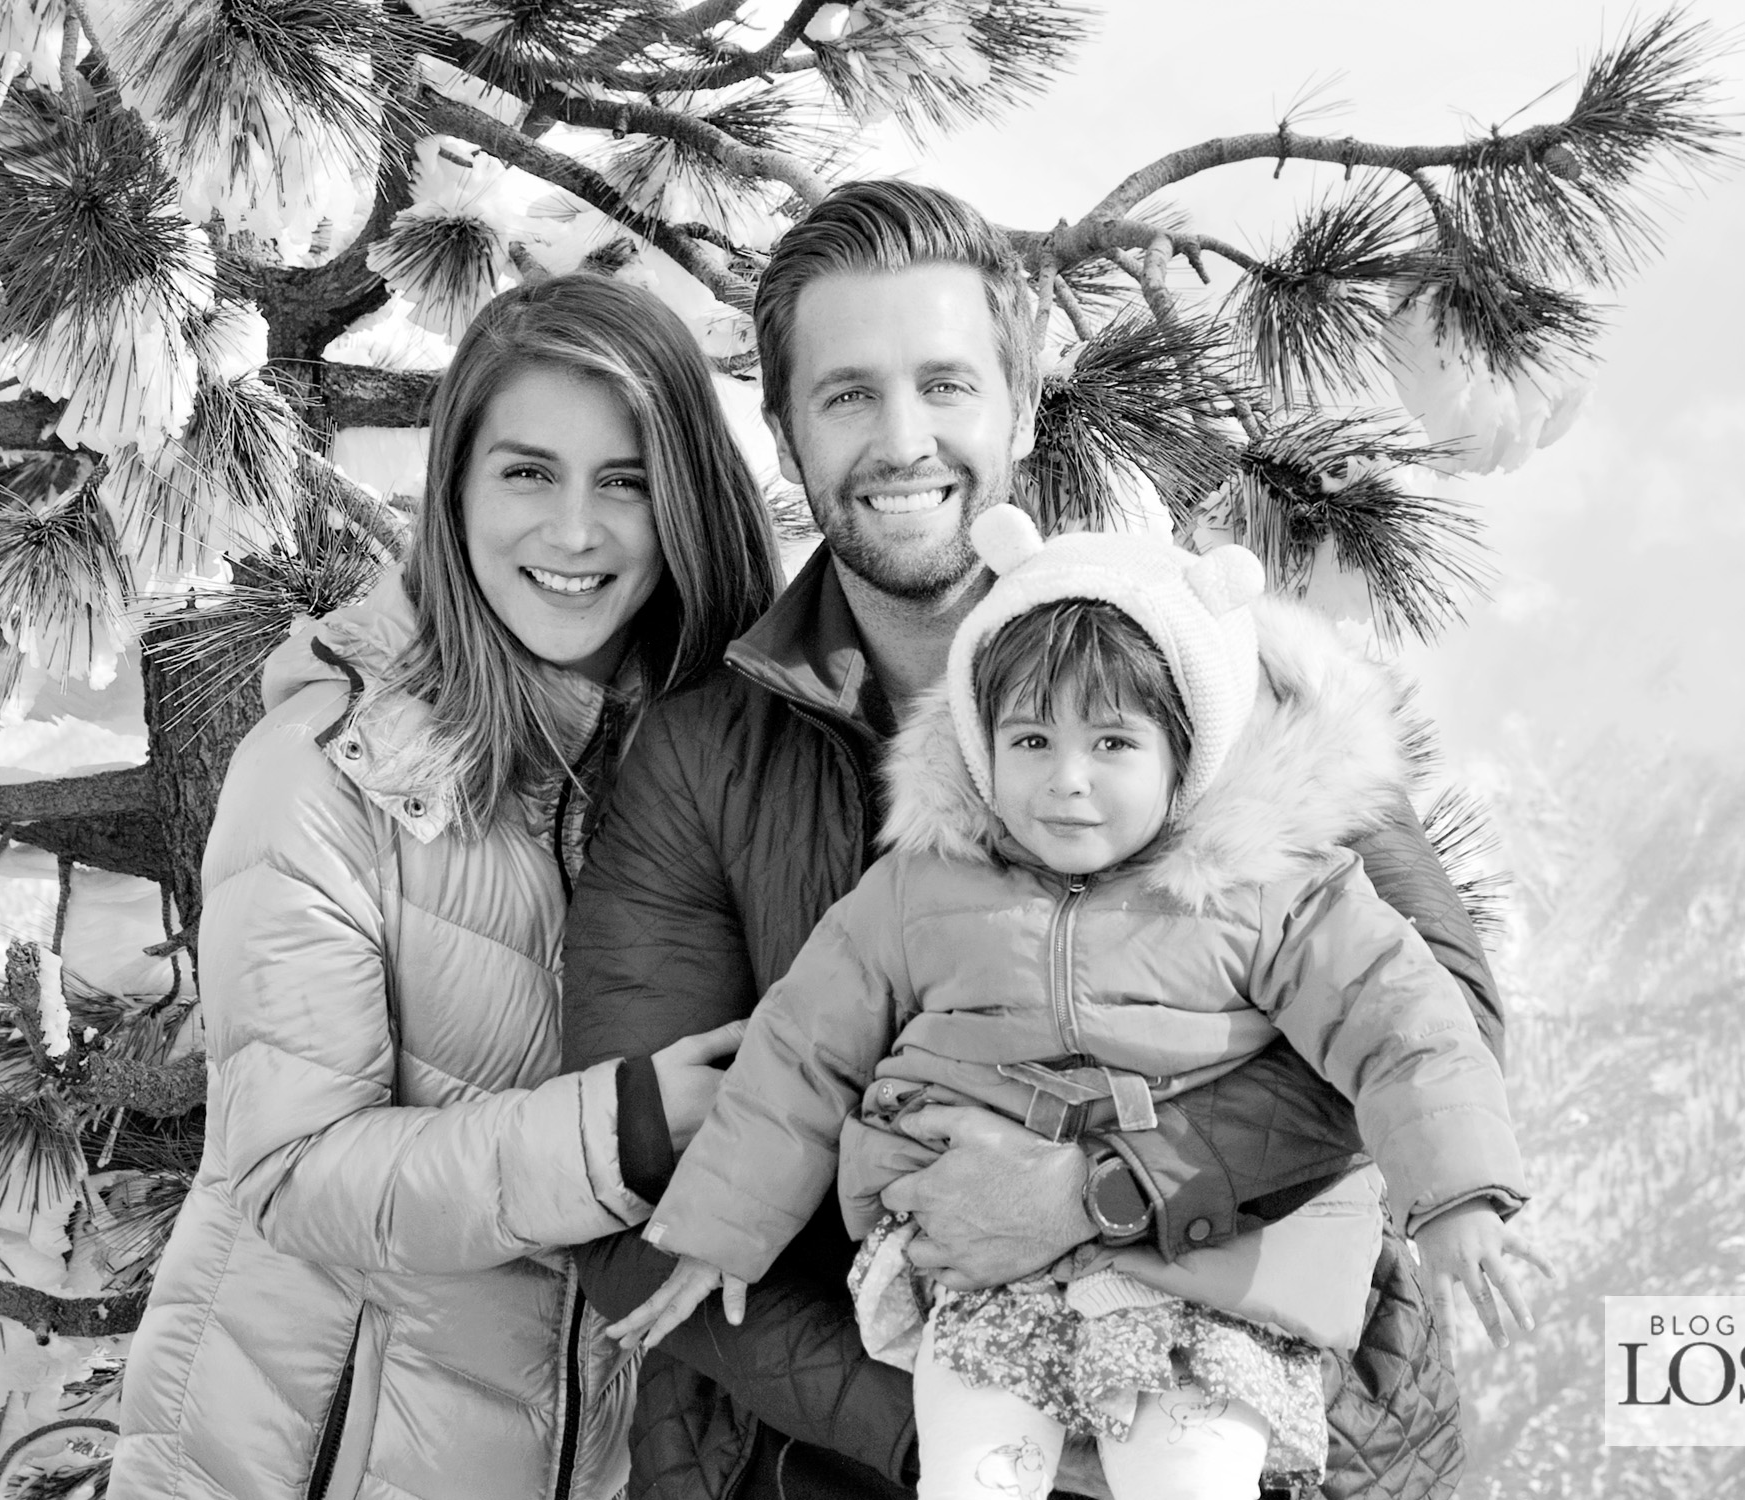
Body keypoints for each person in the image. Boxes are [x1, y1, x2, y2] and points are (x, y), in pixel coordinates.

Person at [560, 179, 1523, 1500]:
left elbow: (1434, 1014)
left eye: (945, 385)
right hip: (872, 1450)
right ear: (783, 432)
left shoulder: (1217, 671)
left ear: (1020, 408)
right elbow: (646, 1196)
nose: (903, 440)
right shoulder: (701, 763)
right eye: (847, 395)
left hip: (1264, 1421)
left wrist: (1099, 1190)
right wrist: (986, 1430)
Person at [108, 274, 783, 1500]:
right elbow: (294, 1174)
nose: (573, 533)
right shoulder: (327, 773)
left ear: (686, 499)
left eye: (625, 481)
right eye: (527, 473)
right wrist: (620, 1132)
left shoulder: (721, 767)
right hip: (307, 1459)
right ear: (456, 488)